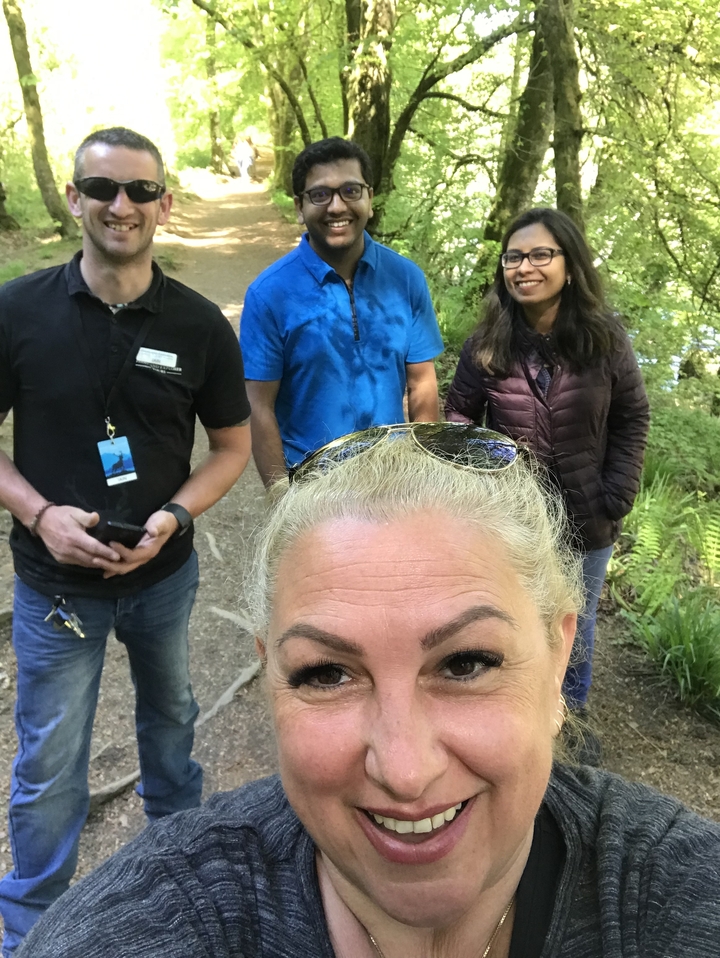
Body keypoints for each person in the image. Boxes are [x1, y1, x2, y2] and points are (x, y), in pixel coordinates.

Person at [16, 423, 720, 958]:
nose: (405, 771)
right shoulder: (146, 924)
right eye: (326, 674)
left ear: (560, 654)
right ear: (270, 678)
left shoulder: (677, 898)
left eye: (466, 663)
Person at [0, 126, 252, 954]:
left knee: (172, 730)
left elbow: (232, 448)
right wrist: (40, 513)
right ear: (74, 198)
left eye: (141, 191)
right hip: (55, 588)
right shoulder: (17, 310)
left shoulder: (198, 325)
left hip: (161, 578)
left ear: (163, 206)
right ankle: (30, 929)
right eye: (103, 188)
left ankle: (179, 888)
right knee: (48, 766)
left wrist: (174, 517)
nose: (122, 205)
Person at [445, 208, 650, 761]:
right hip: (514, 523)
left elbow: (633, 417)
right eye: (514, 256)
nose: (525, 267)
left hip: (589, 519)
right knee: (514, 625)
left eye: (540, 254)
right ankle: (516, 732)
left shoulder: (604, 339)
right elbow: (459, 420)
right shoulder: (488, 343)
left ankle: (569, 740)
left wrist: (617, 494)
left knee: (574, 636)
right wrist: (486, 485)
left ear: (568, 263)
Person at [239, 136, 444, 486]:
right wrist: (279, 495)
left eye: (351, 190)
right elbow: (259, 406)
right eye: (320, 194)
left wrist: (425, 472)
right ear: (299, 207)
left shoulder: (406, 279)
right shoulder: (269, 293)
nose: (337, 206)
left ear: (370, 198)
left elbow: (422, 382)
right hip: (310, 484)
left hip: (393, 478)